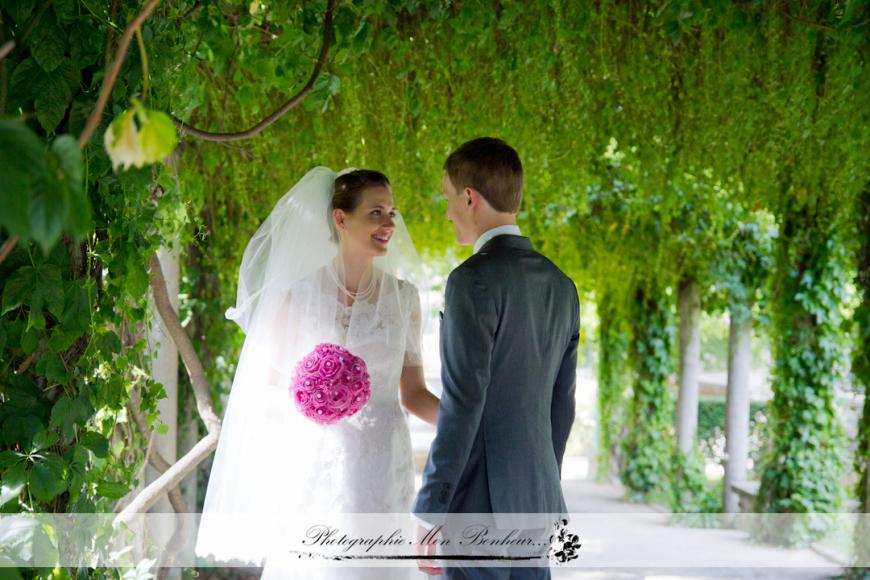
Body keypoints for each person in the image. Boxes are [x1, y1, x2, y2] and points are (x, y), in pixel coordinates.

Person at [194, 167, 439, 579]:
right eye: (376, 212)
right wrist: (307, 407)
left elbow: (413, 393)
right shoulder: (297, 295)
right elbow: (267, 392)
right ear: (340, 219)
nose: (388, 224)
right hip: (312, 465)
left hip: (382, 464)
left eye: (392, 213)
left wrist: (470, 424)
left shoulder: (404, 299)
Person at [413, 138, 580, 579]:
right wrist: (540, 484)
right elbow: (561, 408)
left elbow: (463, 404)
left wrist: (432, 508)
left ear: (469, 198)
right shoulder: (562, 287)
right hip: (536, 501)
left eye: (449, 199)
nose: (448, 212)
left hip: (477, 503)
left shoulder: (471, 281)